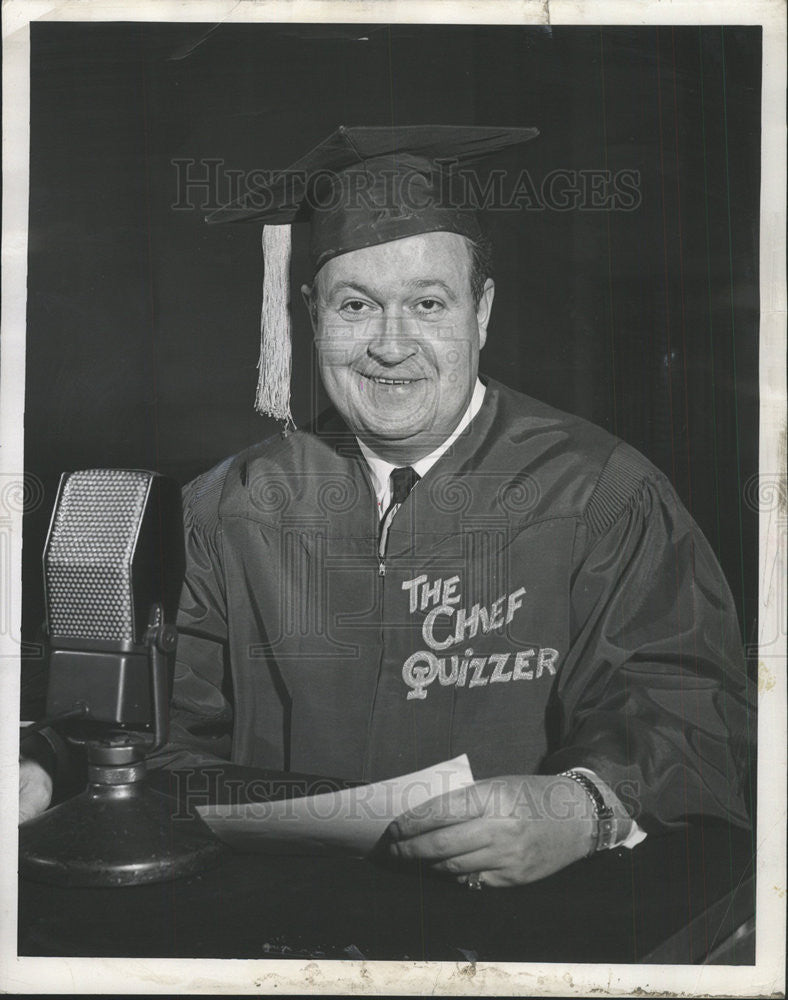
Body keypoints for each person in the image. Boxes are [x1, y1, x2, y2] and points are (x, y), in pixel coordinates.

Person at [19, 126, 754, 888]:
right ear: (311, 316)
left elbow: (688, 706)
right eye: (356, 306)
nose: (391, 345)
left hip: (524, 928)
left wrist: (584, 805)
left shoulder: (601, 494)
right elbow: (149, 728)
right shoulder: (226, 510)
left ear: (483, 311)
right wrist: (50, 761)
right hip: (278, 919)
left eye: (428, 303)